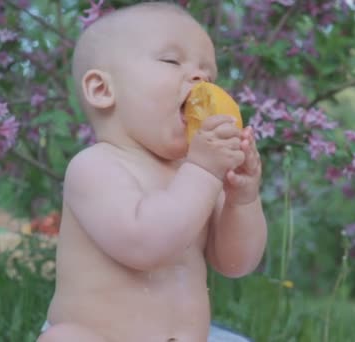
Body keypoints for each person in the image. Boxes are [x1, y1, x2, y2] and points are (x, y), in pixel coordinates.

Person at [39, 2, 268, 341]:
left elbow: (236, 264)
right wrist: (203, 171)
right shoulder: (95, 167)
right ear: (103, 90)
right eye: (171, 61)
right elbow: (146, 246)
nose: (200, 78)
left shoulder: (197, 175)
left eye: (209, 74)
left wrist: (242, 198)